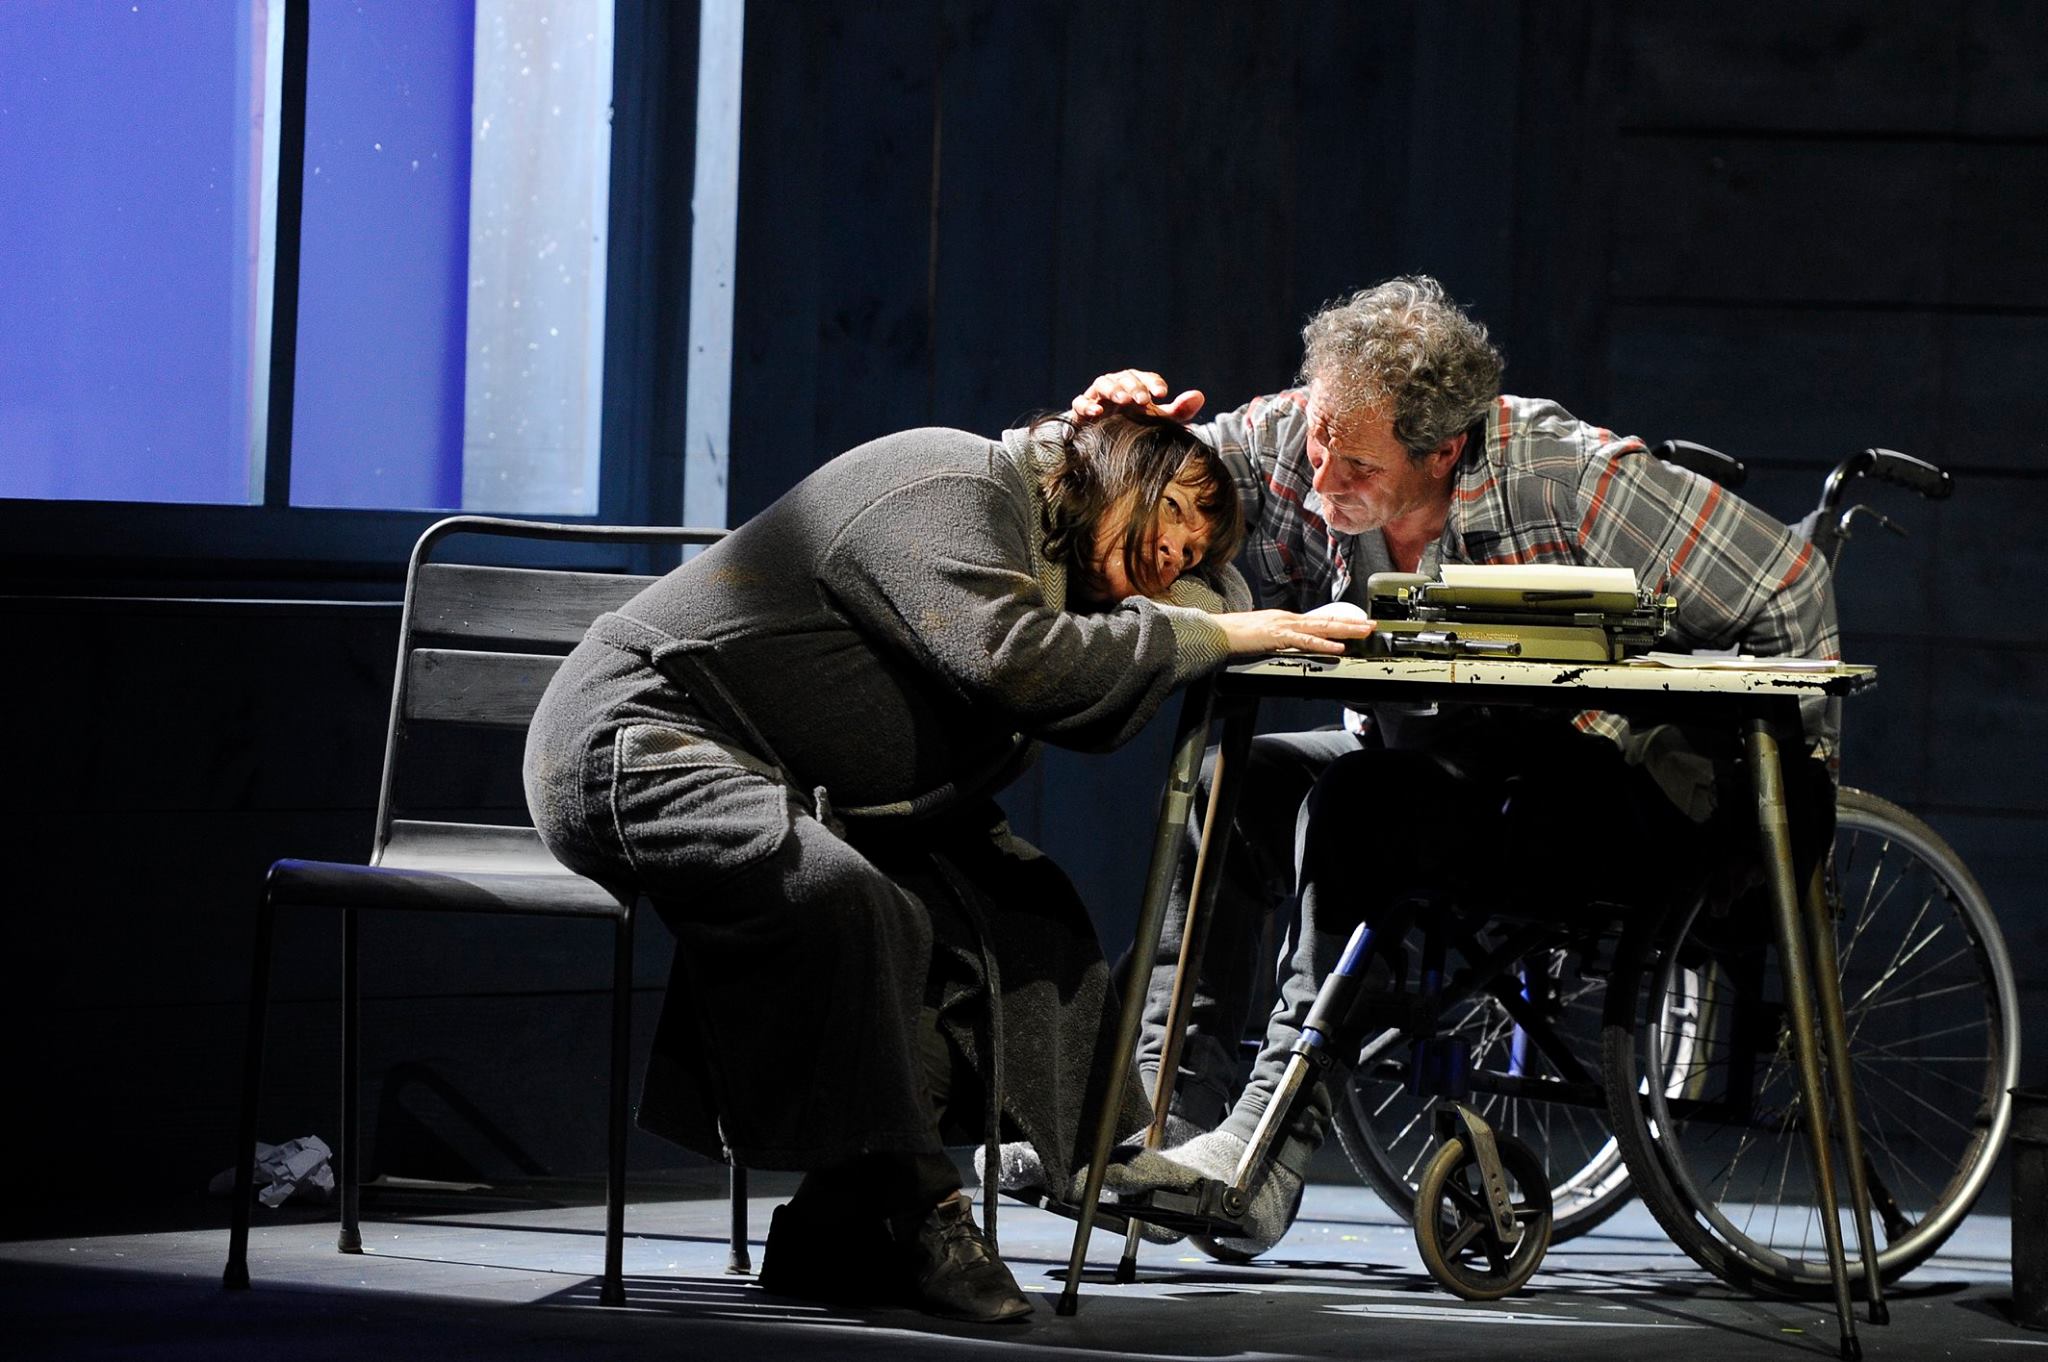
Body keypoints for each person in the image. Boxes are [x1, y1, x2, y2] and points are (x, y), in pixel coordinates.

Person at [522, 411, 1374, 1323]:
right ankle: (923, 1207)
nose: (1174, 555)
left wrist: (1212, 610)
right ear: (1112, 466)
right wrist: (1217, 635)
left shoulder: (1064, 554)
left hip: (789, 779)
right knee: (843, 900)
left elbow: (1206, 601)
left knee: (1021, 913)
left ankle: (837, 1222)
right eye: (1170, 513)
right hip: (642, 735)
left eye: (1193, 549)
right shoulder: (955, 485)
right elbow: (1017, 664)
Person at [1062, 275, 1840, 1259]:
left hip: (1574, 788)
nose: (1319, 475)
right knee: (1239, 783)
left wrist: (1771, 829)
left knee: (1359, 804)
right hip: (1423, 763)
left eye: (1356, 463)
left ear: (1442, 451)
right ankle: (1162, 1123)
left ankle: (1260, 1157)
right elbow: (1151, 480)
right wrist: (1100, 431)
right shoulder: (1298, 437)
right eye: (1319, 440)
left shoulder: (1562, 479)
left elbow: (1788, 585)